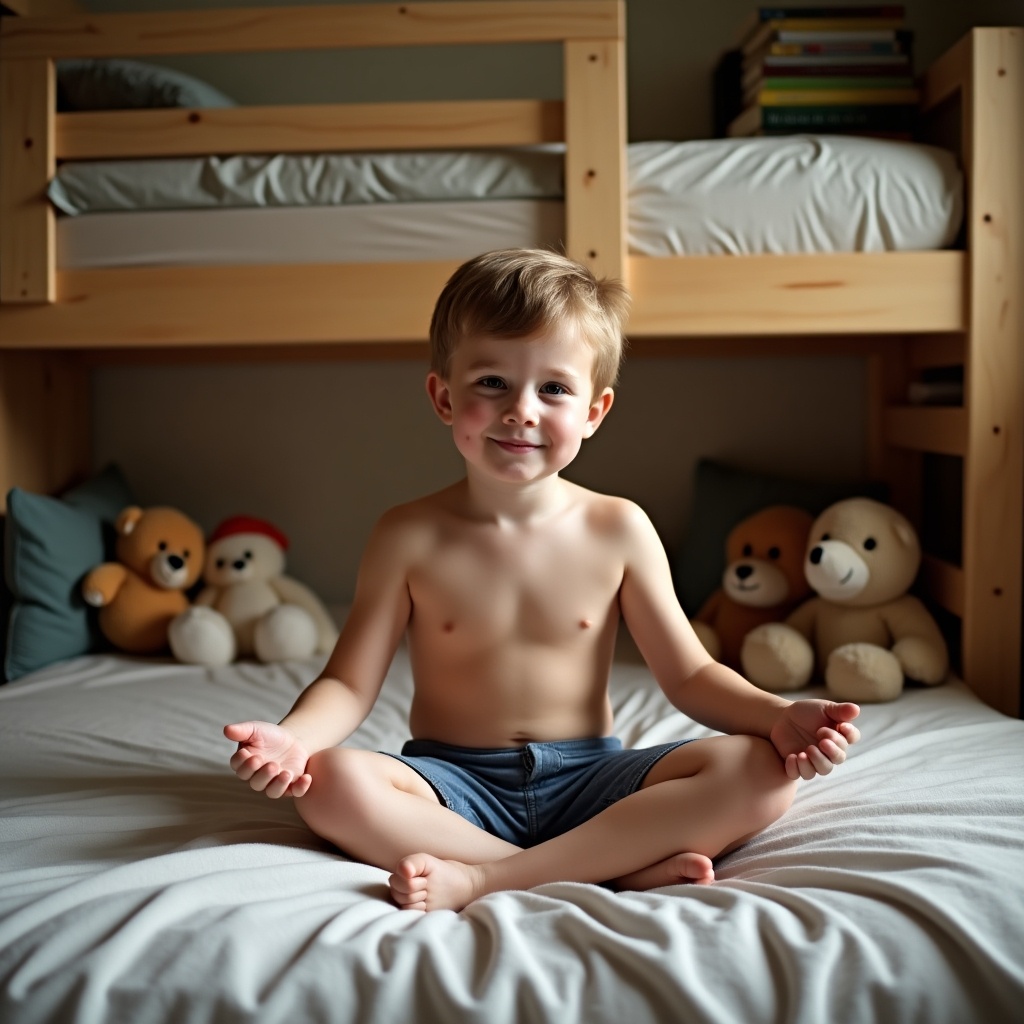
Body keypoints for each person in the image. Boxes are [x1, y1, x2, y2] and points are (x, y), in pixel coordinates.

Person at [225, 248, 861, 913]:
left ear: (594, 410)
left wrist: (779, 715)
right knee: (328, 781)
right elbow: (349, 683)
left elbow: (691, 676)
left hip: (592, 778)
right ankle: (607, 868)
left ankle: (486, 879)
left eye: (554, 388)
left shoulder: (619, 529)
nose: (521, 411)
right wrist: (296, 739)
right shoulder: (406, 535)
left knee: (761, 773)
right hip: (453, 785)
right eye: (492, 383)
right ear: (444, 396)